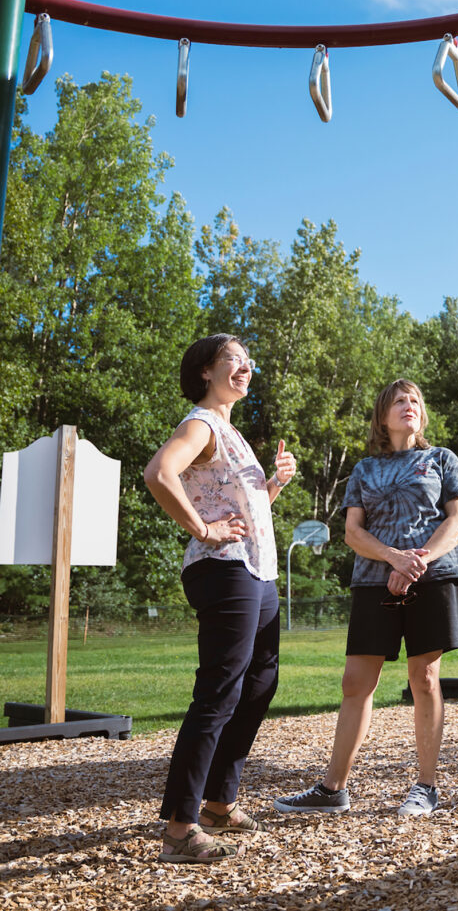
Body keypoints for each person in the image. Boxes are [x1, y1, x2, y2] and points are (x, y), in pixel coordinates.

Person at [275, 379, 458, 818]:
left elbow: (457, 521)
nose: (409, 406)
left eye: (416, 400)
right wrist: (392, 559)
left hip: (433, 576)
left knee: (424, 678)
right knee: (355, 683)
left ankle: (426, 787)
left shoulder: (441, 459)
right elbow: (352, 533)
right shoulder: (364, 469)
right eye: (400, 400)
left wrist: (415, 562)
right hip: (372, 581)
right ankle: (332, 789)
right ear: (383, 415)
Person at [144, 334, 297, 863]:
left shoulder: (230, 432)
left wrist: (274, 485)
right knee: (219, 695)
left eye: (248, 360)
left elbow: (243, 505)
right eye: (233, 359)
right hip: (225, 571)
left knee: (258, 686)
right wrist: (203, 530)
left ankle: (217, 803)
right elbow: (159, 473)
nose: (245, 366)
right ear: (205, 371)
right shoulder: (202, 423)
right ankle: (180, 829)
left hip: (257, 572)